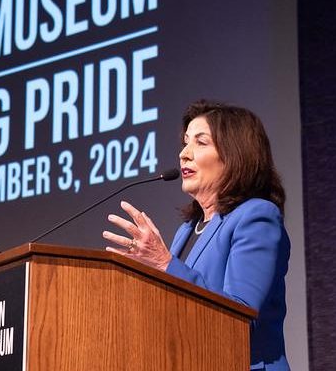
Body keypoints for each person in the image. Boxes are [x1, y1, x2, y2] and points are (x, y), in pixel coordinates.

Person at [102, 100, 291, 371]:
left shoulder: (257, 217)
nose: (184, 154)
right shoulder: (188, 230)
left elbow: (239, 316)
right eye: (185, 142)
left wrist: (164, 263)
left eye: (200, 143)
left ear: (235, 154)